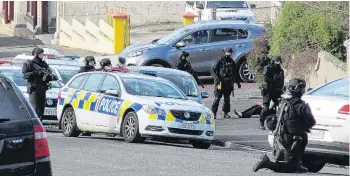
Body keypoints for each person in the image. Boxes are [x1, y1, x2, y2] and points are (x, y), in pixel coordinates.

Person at [253, 78, 316, 173]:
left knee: (302, 138)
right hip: (293, 139)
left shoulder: (283, 102)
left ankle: (298, 164)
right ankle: (267, 163)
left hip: (283, 136)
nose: (303, 90)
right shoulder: (300, 105)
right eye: (302, 87)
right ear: (298, 89)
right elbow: (311, 122)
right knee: (289, 167)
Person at [22, 47, 58, 121]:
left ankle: (39, 124)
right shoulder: (29, 64)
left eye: (42, 53)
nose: (42, 55)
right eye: (41, 54)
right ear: (36, 54)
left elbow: (50, 74)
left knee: (41, 110)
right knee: (35, 109)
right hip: (34, 89)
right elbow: (25, 76)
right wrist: (36, 73)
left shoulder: (44, 64)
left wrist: (49, 77)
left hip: (42, 88)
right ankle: (33, 125)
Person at [211, 48, 241, 119]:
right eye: (228, 52)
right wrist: (217, 79)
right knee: (217, 98)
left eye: (230, 52)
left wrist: (237, 82)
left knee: (227, 99)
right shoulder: (220, 61)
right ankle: (213, 113)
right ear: (224, 52)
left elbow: (235, 73)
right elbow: (212, 70)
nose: (229, 54)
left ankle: (226, 113)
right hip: (220, 83)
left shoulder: (232, 62)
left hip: (228, 83)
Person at [259, 56, 284, 130]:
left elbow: (282, 81)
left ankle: (279, 123)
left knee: (280, 107)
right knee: (266, 109)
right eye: (276, 61)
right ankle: (261, 121)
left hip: (276, 90)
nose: (278, 63)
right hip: (268, 90)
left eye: (279, 61)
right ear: (273, 61)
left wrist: (281, 88)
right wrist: (274, 79)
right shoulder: (268, 68)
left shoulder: (280, 70)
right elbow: (266, 78)